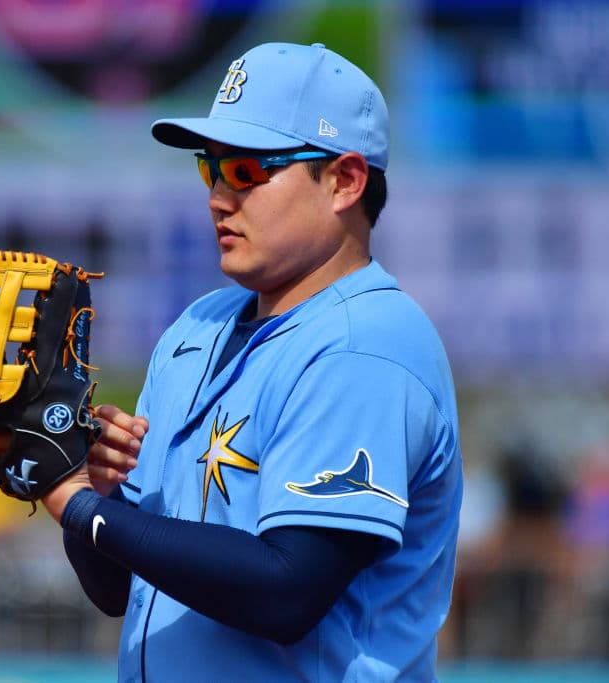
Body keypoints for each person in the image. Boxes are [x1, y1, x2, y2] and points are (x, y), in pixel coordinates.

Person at [41, 41, 463, 681]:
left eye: (247, 172)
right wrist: (85, 481)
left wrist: (75, 505)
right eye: (211, 168)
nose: (218, 196)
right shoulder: (198, 327)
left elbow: (286, 589)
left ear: (344, 181)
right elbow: (122, 592)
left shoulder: (365, 346)